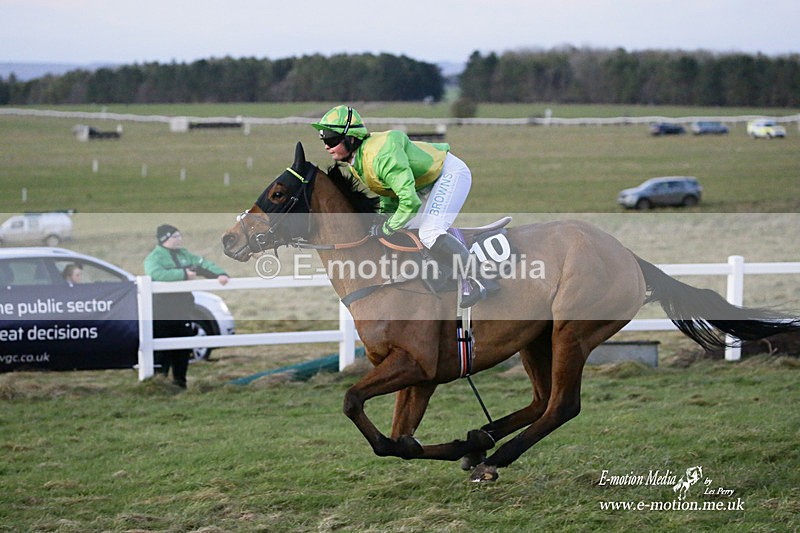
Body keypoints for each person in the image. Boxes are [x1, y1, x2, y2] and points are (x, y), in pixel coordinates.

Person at [312, 105, 486, 307]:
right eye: (323, 140)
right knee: (408, 228)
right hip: (424, 182)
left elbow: (409, 201)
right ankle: (442, 275)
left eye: (331, 139)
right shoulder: (357, 162)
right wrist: (386, 218)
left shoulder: (380, 156)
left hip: (449, 174)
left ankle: (476, 279)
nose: (326, 146)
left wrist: (387, 226)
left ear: (351, 138)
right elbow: (388, 192)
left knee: (430, 232)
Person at [144, 224, 229, 388]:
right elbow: (155, 273)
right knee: (162, 350)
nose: (179, 239)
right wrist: (183, 274)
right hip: (162, 313)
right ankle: (159, 384)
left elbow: (204, 264)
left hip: (183, 311)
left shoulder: (185, 255)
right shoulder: (154, 258)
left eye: (179, 236)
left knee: (182, 349)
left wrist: (220, 274)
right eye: (175, 237)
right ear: (165, 239)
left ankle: (180, 383)